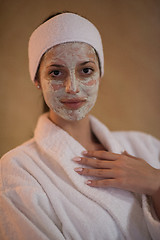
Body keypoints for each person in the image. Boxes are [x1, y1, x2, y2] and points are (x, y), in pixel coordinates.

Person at [0, 12, 160, 240]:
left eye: (86, 70)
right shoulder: (17, 170)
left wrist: (156, 183)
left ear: (100, 73)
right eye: (56, 72)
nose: (72, 87)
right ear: (37, 80)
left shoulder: (146, 146)